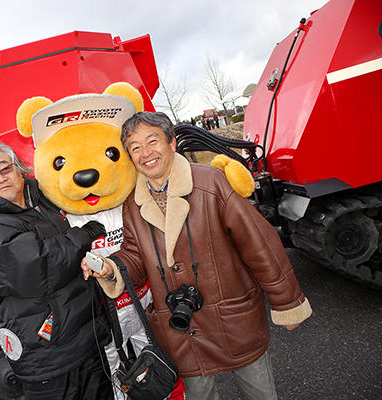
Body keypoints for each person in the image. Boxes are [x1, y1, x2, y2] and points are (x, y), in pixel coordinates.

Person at [82, 112, 312, 400]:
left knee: (261, 394)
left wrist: (287, 301)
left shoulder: (210, 182)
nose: (145, 153)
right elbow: (134, 256)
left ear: (172, 143)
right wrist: (110, 266)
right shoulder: (132, 203)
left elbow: (259, 245)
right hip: (181, 332)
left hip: (234, 319)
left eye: (152, 141)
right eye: (135, 147)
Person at [0, 137, 113, 400]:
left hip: (81, 340)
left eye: (5, 168)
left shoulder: (39, 203)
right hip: (49, 356)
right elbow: (41, 265)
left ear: (19, 169)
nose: (0, 178)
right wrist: (84, 236)